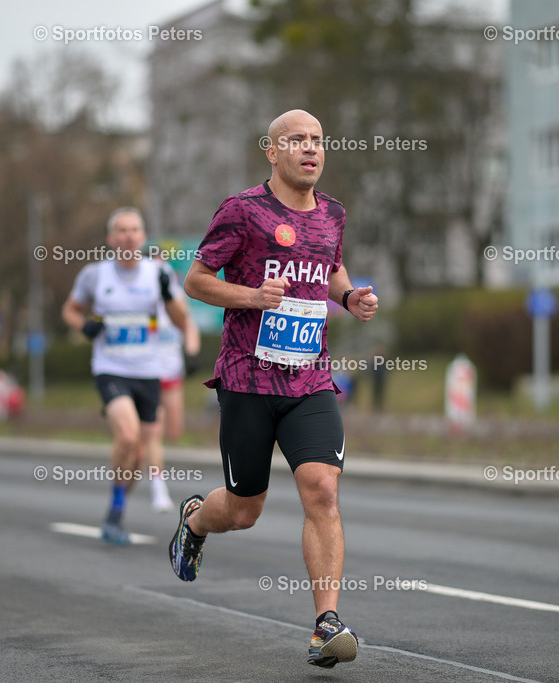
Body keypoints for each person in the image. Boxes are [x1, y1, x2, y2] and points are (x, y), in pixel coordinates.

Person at [172, 109, 378, 668]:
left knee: (323, 490)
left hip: (310, 380)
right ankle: (195, 519)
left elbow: (329, 267)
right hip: (248, 380)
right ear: (272, 150)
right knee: (244, 510)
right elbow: (196, 280)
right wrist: (252, 297)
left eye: (317, 140)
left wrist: (349, 295)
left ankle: (324, 625)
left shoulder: (333, 211)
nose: (309, 149)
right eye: (297, 140)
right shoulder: (243, 210)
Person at [62, 208, 191, 545]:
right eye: (121, 230)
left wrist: (166, 295)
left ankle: (116, 508)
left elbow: (181, 319)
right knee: (130, 436)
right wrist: (84, 325)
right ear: (111, 239)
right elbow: (70, 310)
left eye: (135, 230)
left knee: (137, 455)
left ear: (143, 237)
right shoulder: (95, 275)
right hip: (111, 368)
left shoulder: (158, 273)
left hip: (148, 370)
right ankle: (116, 511)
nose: (129, 236)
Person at [145, 289, 200, 513]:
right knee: (154, 430)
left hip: (172, 373)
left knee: (174, 431)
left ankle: (145, 450)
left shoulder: (173, 294)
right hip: (146, 373)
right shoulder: (140, 296)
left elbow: (188, 323)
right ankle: (158, 487)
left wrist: (192, 351)